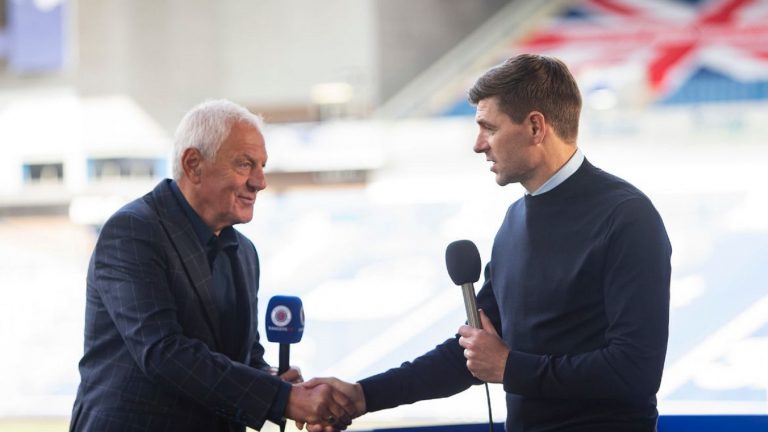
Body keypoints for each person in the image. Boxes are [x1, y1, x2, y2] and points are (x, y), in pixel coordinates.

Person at [305, 54, 672, 431]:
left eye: (489, 128)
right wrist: (363, 396)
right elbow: (473, 353)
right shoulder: (514, 220)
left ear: (534, 127)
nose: (479, 145)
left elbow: (635, 370)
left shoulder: (627, 217)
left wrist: (511, 367)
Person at [70, 100, 354, 432]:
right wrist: (282, 399)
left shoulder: (244, 252)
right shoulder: (133, 232)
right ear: (193, 165)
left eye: (262, 166)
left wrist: (283, 385)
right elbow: (164, 353)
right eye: (246, 164)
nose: (260, 181)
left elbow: (245, 357)